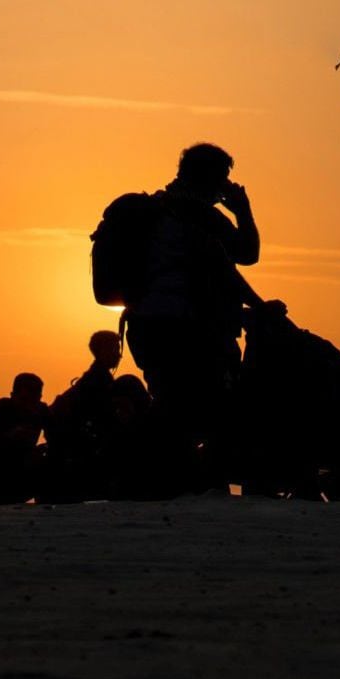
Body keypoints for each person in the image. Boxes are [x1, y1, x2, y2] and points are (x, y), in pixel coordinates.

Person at [122, 143, 269, 496]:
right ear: (210, 178)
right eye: (223, 179)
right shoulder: (198, 214)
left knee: (173, 402)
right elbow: (245, 256)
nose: (225, 188)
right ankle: (198, 485)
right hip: (186, 327)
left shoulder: (156, 209)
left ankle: (164, 482)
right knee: (213, 404)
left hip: (145, 327)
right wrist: (243, 210)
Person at [40, 331, 124, 503]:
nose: (119, 354)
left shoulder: (96, 379)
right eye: (114, 349)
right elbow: (103, 420)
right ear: (101, 351)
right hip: (78, 448)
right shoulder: (97, 382)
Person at [0, 373, 48, 504]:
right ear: (13, 396)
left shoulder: (41, 411)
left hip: (22, 476)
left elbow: (58, 438)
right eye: (24, 399)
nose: (28, 405)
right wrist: (8, 438)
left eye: (34, 400)